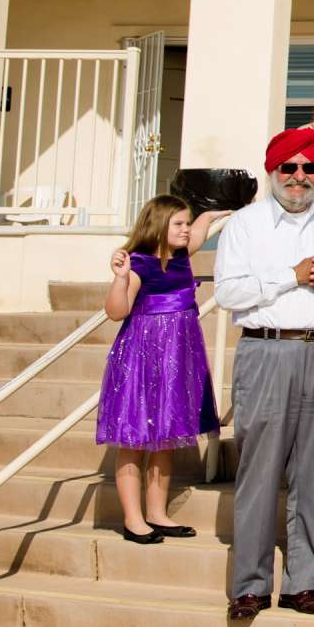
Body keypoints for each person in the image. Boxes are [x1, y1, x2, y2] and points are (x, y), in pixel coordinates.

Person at [212, 129, 314, 620]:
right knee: (259, 470)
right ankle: (251, 584)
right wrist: (293, 275)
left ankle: (303, 581)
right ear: (272, 171)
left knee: (313, 469)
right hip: (267, 349)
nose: (299, 177)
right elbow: (230, 294)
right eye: (289, 168)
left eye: (309, 169)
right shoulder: (246, 225)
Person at [97, 194, 228, 544]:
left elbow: (201, 231)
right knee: (135, 439)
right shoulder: (140, 264)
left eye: (187, 223)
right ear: (159, 226)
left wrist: (211, 214)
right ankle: (133, 518)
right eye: (179, 224)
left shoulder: (184, 255)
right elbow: (116, 311)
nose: (186, 230)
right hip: (143, 358)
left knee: (165, 438)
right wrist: (121, 279)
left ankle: (157, 512)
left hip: (179, 357)